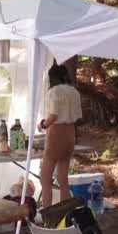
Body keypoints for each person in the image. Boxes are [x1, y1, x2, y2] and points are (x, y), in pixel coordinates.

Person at [38, 64, 82, 207]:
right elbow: (77, 116)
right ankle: (67, 215)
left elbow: (53, 115)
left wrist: (43, 124)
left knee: (45, 178)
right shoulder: (74, 91)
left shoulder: (54, 91)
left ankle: (47, 215)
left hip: (56, 133)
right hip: (70, 133)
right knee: (63, 179)